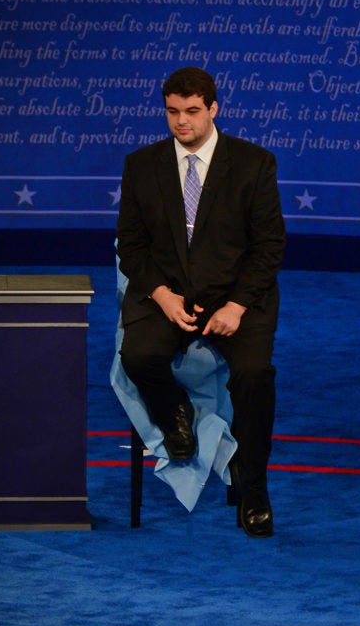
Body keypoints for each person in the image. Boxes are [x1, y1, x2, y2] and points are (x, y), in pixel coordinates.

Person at [116, 66, 286, 538]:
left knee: (255, 376)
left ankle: (252, 486)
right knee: (138, 355)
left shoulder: (254, 164)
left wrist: (236, 306)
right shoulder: (142, 165)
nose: (181, 122)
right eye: (172, 112)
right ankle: (175, 413)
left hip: (236, 298)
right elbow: (130, 245)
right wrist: (161, 295)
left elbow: (269, 246)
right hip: (168, 294)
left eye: (192, 111)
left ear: (214, 108)